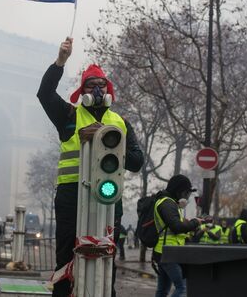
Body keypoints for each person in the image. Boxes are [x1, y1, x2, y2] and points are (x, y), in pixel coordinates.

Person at [37, 37, 144, 296]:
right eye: (90, 85)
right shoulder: (70, 116)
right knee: (66, 255)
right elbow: (45, 94)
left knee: (106, 253)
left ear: (108, 91)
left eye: (101, 85)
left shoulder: (120, 122)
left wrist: (111, 142)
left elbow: (137, 162)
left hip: (107, 197)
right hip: (71, 196)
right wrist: (60, 62)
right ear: (82, 91)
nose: (96, 90)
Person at [152, 174, 201, 297]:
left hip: (166, 251)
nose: (187, 197)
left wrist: (189, 223)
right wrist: (195, 223)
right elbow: (177, 227)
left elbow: (174, 226)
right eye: (186, 193)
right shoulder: (167, 204)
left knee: (162, 290)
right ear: (179, 191)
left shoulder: (170, 203)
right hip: (169, 252)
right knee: (183, 288)